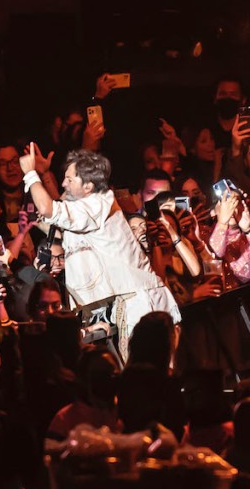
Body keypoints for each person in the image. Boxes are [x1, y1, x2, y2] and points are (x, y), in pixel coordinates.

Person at [20, 147, 181, 353]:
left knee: (146, 373)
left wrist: (31, 174)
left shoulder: (98, 204)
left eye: (69, 180)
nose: (63, 184)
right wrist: (44, 174)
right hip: (131, 302)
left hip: (140, 304)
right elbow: (59, 209)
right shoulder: (87, 205)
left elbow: (48, 208)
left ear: (88, 186)